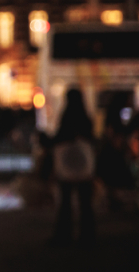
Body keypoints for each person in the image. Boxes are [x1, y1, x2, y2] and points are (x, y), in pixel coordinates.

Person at [51, 88, 96, 245]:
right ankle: (87, 235)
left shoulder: (67, 116)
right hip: (83, 166)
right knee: (85, 203)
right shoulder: (86, 118)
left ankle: (64, 234)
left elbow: (60, 137)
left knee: (65, 202)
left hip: (68, 165)